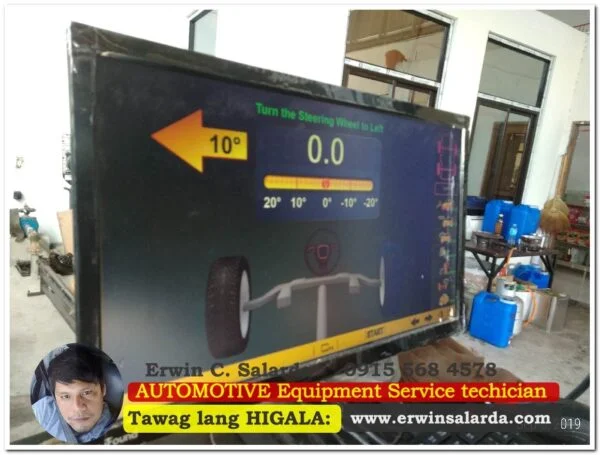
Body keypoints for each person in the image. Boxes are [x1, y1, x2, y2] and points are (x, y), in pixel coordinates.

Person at [32, 346, 115, 443]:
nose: (77, 407)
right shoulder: (43, 413)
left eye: (86, 393)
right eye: (66, 396)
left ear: (103, 390)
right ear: (54, 398)